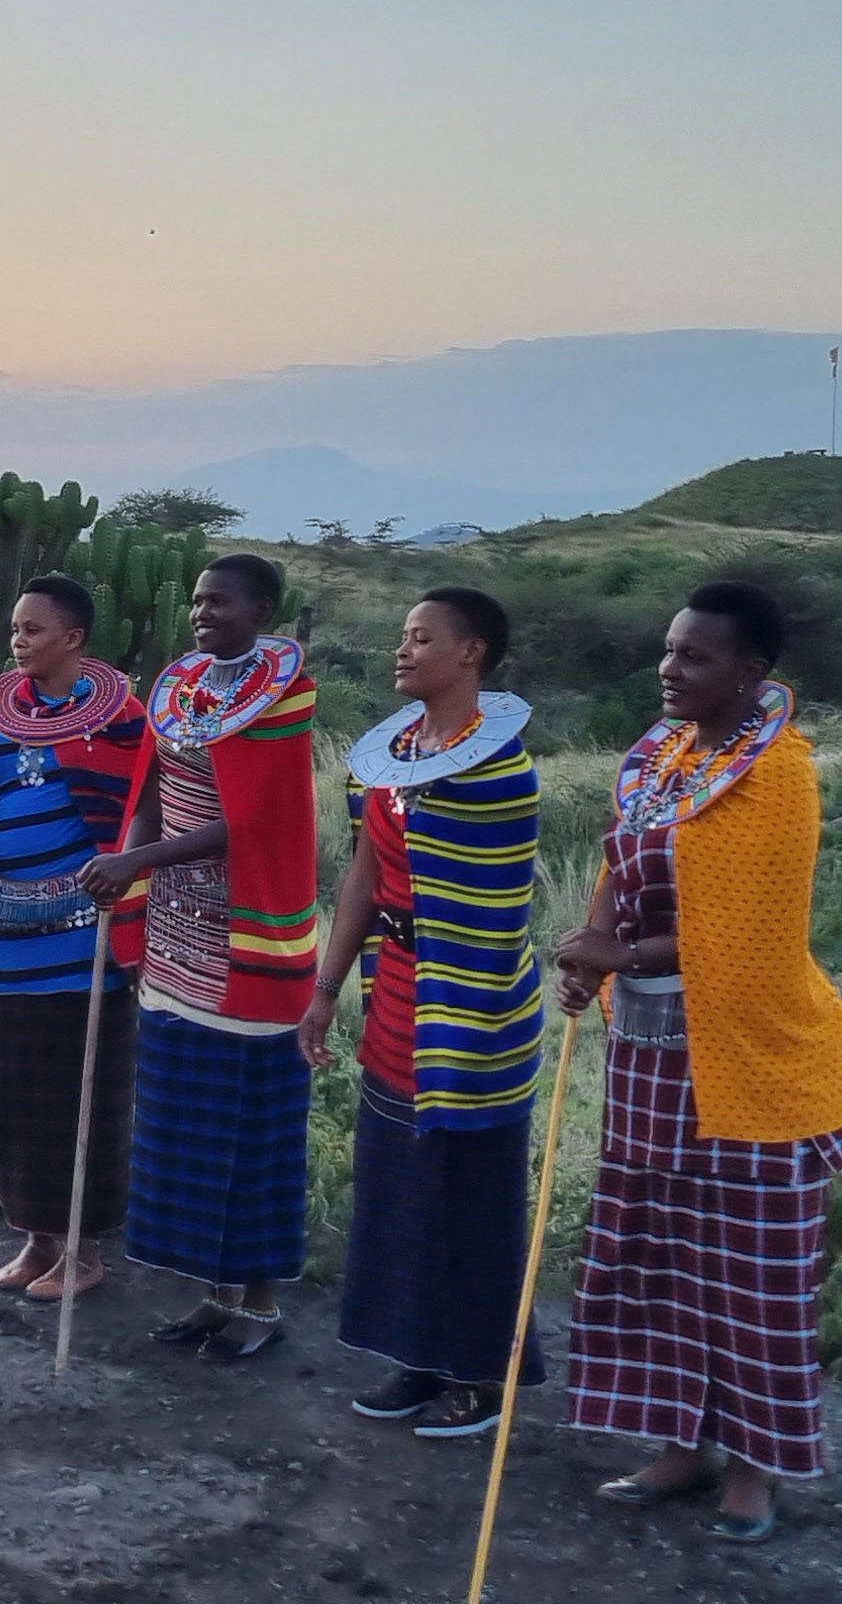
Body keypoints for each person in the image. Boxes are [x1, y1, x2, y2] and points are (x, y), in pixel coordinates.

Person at [557, 581, 842, 1545]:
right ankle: (678, 1445)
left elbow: (753, 940)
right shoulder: (659, 759)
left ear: (749, 673)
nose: (670, 667)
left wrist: (622, 955)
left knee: (755, 1276)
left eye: (695, 655)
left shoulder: (779, 776)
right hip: (653, 1060)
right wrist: (591, 955)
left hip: (754, 1066)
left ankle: (756, 1469)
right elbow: (618, 869)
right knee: (661, 1257)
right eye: (669, 648)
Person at [302, 588, 544, 1438]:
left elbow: (490, 909)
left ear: (470, 653)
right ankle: (417, 1355)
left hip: (473, 1011)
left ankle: (480, 1372)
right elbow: (364, 877)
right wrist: (326, 989)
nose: (402, 651)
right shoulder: (395, 757)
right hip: (397, 997)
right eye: (402, 637)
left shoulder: (500, 772)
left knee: (470, 1196)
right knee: (402, 1190)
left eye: (420, 638)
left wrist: (463, 1011)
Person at [92, 552, 321, 1362]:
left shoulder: (285, 698)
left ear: (262, 614)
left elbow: (254, 822)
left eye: (219, 602)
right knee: (188, 1121)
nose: (201, 613)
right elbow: (152, 788)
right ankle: (216, 1294)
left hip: (248, 936)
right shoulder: (181, 687)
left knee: (248, 1126)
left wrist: (140, 861)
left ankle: (259, 1304)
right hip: (175, 935)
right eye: (195, 600)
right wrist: (126, 861)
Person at [0, 573, 150, 1303]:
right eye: (15, 630)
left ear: (73, 638)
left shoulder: (119, 715)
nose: (17, 642)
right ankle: (38, 1237)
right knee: (17, 1094)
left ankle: (85, 1250)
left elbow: (141, 805)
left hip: (86, 938)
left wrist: (128, 879)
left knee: (83, 1095)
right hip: (5, 934)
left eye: (33, 630)